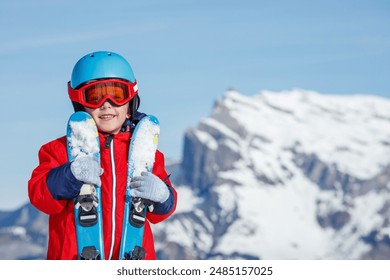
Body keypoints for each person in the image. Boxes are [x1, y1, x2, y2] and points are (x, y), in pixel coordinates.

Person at [28, 51, 177, 260]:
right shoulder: (60, 150)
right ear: (80, 103)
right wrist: (70, 175)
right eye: (95, 96)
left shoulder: (148, 155)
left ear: (130, 104)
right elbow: (40, 197)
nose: (106, 104)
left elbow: (160, 214)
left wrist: (163, 197)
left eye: (117, 95)